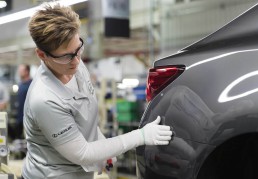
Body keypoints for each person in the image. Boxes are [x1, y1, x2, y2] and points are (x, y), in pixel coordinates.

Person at [22, 3, 173, 179]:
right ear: (42, 55)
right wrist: (140, 136)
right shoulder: (44, 99)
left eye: (78, 49)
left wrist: (103, 147)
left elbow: (86, 119)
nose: (77, 61)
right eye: (66, 56)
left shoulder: (75, 66)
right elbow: (83, 153)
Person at [16, 64, 32, 139]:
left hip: (28, 118)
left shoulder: (31, 84)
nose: (19, 72)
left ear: (26, 71)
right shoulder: (21, 84)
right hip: (20, 117)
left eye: (21, 71)